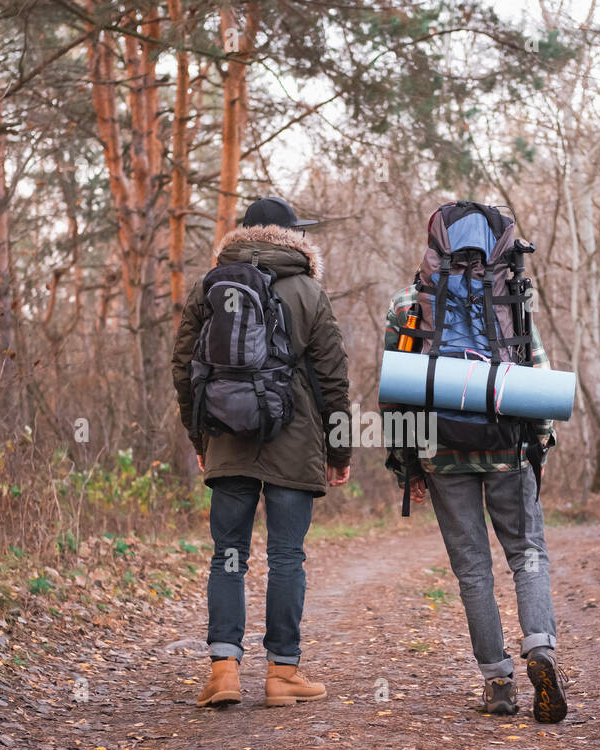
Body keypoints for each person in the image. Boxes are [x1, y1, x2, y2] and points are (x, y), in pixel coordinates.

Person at [382, 204, 566, 723]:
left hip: (441, 451)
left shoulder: (408, 302)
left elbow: (395, 393)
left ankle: (498, 682)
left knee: (472, 569)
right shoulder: (511, 293)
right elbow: (535, 366)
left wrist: (406, 467)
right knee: (527, 554)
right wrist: (541, 445)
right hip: (509, 445)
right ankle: (541, 651)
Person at [172, 197, 351, 708]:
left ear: (244, 234)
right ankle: (281, 674)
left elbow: (183, 368)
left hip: (226, 438)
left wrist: (199, 437)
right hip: (293, 446)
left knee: (228, 555)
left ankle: (224, 670)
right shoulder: (309, 290)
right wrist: (339, 450)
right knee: (286, 556)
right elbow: (334, 378)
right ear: (294, 239)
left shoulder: (210, 286)